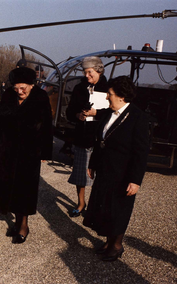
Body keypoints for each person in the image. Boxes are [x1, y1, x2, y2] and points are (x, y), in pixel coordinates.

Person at [83, 76, 149, 261]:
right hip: (105, 170)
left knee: (119, 209)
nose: (106, 98)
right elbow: (100, 141)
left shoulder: (138, 118)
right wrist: (93, 164)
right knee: (104, 208)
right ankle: (108, 241)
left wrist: (135, 180)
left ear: (121, 96)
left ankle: (117, 245)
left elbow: (141, 152)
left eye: (109, 94)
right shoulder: (108, 114)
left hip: (123, 174)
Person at [0, 67, 53, 243]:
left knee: (25, 188)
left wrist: (46, 151)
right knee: (9, 186)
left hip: (29, 152)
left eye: (23, 88)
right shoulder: (9, 95)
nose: (19, 92)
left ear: (32, 85)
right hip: (8, 150)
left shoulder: (41, 98)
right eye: (16, 88)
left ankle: (23, 225)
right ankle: (17, 222)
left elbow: (47, 125)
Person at [66, 56, 108, 218]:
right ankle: (81, 203)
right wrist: (78, 115)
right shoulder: (79, 88)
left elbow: (115, 112)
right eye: (84, 72)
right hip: (83, 137)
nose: (86, 76)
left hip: (102, 138)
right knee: (80, 174)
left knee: (101, 175)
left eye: (89, 72)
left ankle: (96, 206)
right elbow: (69, 112)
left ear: (99, 70)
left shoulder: (109, 87)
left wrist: (96, 113)